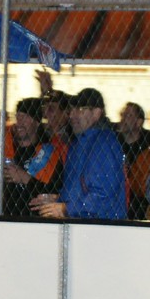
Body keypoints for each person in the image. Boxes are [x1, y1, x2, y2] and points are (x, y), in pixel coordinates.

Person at [32, 88, 126, 220]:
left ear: (96, 113)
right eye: (72, 109)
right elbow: (81, 191)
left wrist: (66, 208)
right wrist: (58, 200)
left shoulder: (103, 143)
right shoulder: (80, 143)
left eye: (80, 109)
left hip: (101, 226)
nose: (72, 115)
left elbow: (103, 195)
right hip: (86, 225)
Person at [0, 98, 65, 217]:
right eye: (18, 117)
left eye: (25, 117)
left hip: (35, 221)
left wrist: (25, 179)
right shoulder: (2, 151)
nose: (19, 122)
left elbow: (53, 194)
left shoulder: (50, 155)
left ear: (37, 122)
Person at [117, 102, 150, 220]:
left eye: (128, 115)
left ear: (139, 122)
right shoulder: (114, 143)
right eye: (123, 114)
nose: (123, 119)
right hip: (118, 201)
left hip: (140, 205)